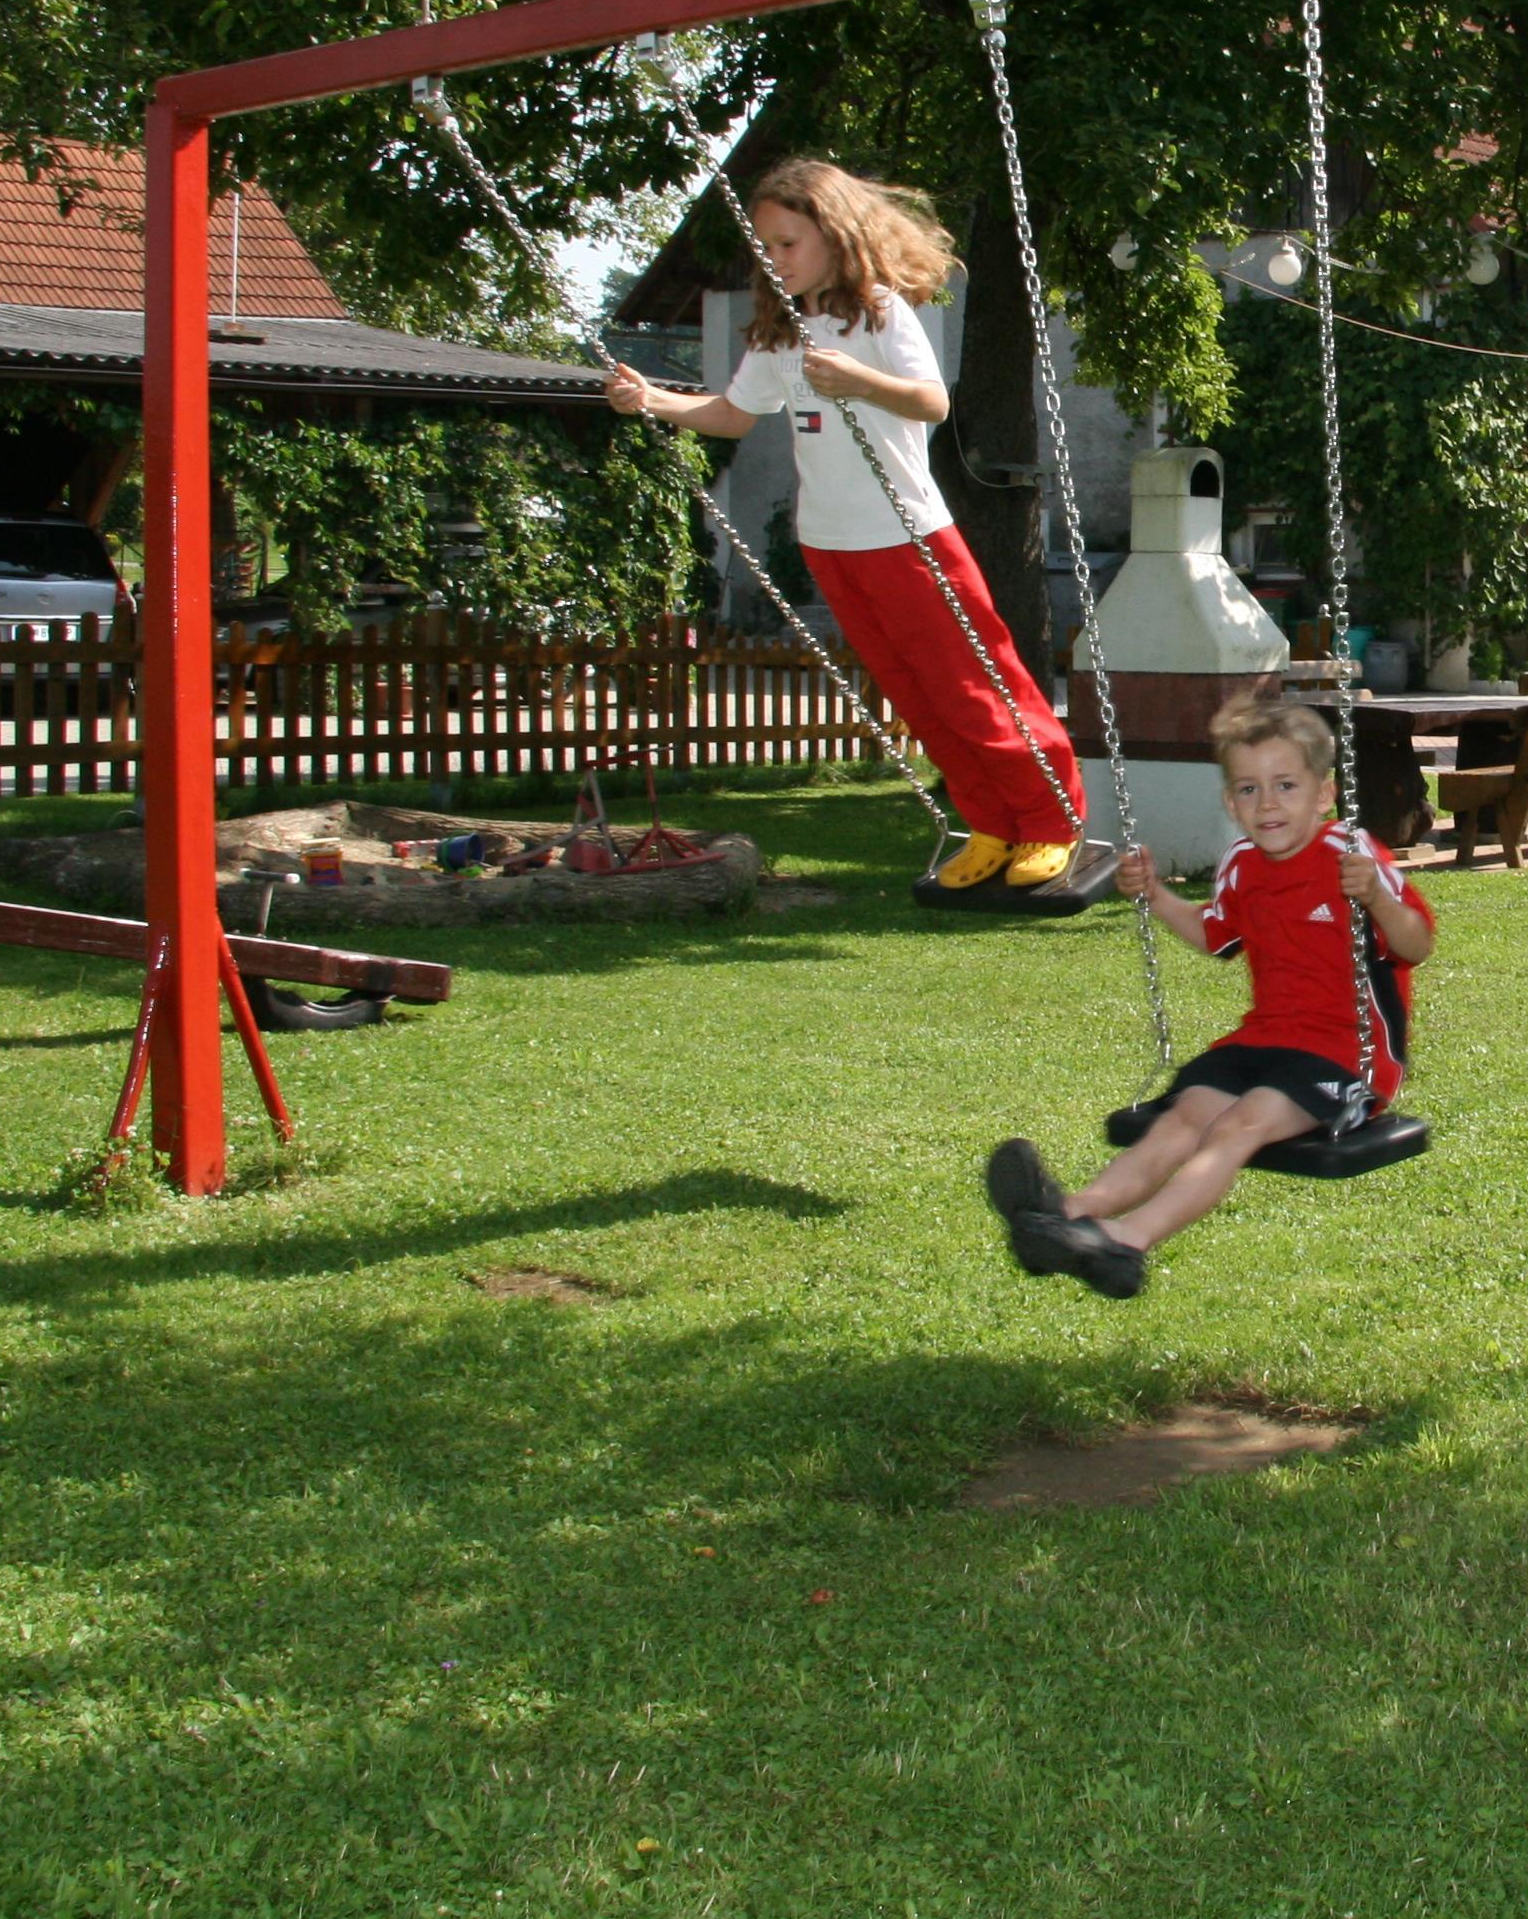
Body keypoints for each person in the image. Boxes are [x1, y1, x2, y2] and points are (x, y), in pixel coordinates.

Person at [604, 158, 1084, 891]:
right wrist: (653, 400)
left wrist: (859, 381)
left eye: (788, 243)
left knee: (973, 687)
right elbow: (733, 413)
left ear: (835, 234)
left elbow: (931, 401)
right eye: (764, 247)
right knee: (915, 694)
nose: (774, 259)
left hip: (908, 537)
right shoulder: (779, 332)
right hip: (830, 543)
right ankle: (991, 824)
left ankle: (1049, 820)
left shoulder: (879, 312)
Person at [984, 695, 1435, 1299]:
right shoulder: (1241, 864)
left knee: (1236, 1125)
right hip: (1262, 1040)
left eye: (1285, 785)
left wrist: (1376, 897)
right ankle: (1064, 1216)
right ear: (1230, 803)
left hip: (1346, 1055)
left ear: (1323, 795)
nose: (1266, 803)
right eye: (1248, 789)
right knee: (1180, 1122)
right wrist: (1156, 895)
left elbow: (1416, 944)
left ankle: (1127, 1240)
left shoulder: (1350, 856)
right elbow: (1214, 934)